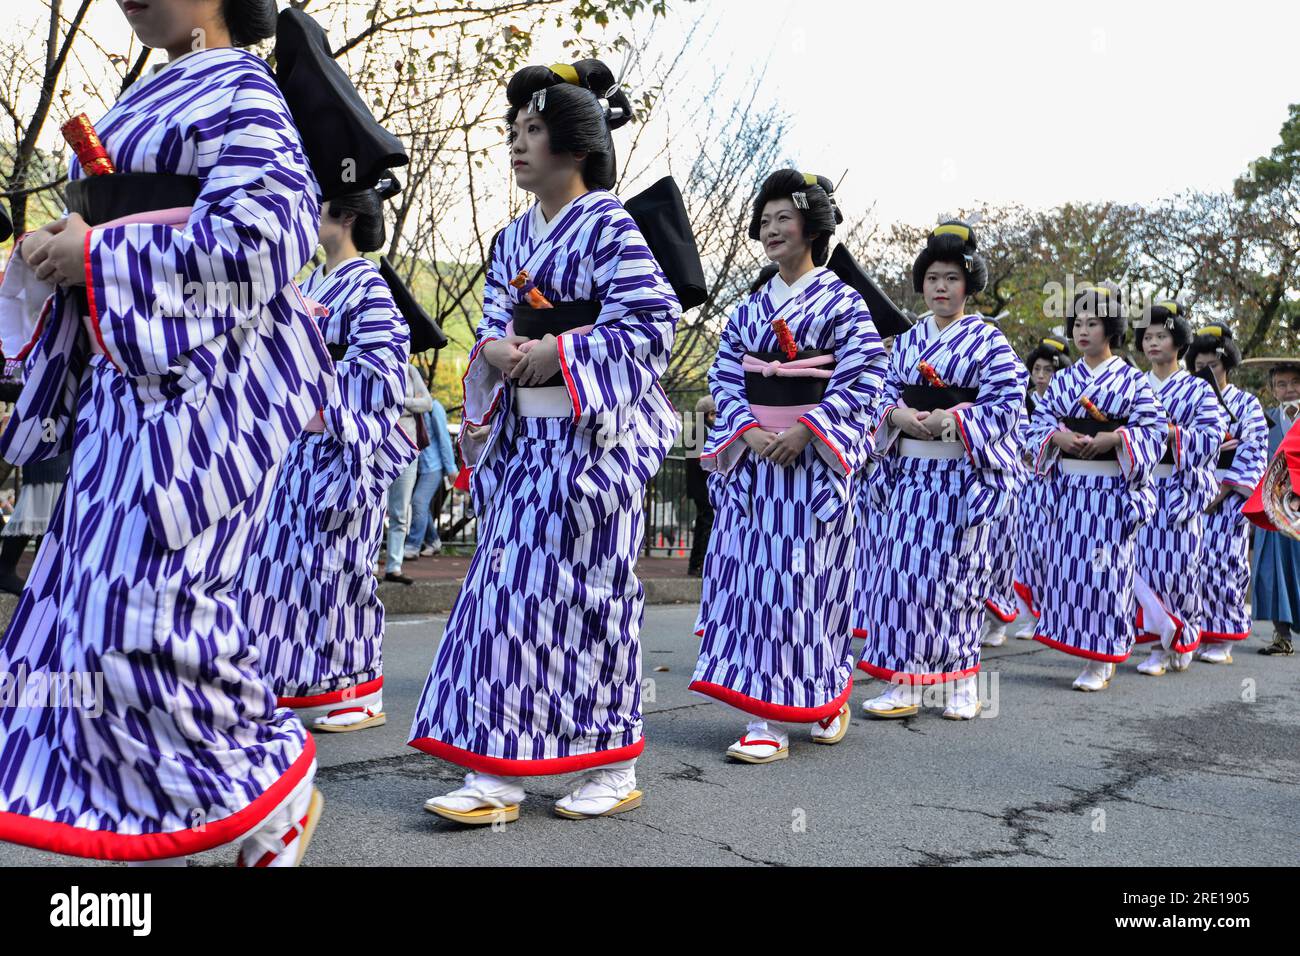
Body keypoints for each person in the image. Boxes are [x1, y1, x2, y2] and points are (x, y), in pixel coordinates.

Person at [0, 0, 339, 866]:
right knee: (90, 618)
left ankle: (265, 787)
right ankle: (221, 802)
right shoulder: (135, 104)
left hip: (206, 395)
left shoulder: (245, 93)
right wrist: (60, 255)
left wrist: (103, 254)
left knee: (152, 611)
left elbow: (265, 240)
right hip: (128, 389)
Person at [409, 59, 682, 823]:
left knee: (590, 600)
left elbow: (651, 323)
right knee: (508, 599)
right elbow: (496, 325)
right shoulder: (509, 240)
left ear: (577, 147)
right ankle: (498, 767)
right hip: (526, 442)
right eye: (515, 132)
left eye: (533, 131)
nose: (517, 145)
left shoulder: (609, 224)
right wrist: (496, 351)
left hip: (591, 445)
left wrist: (557, 351)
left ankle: (611, 759)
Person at [690, 170, 885, 762]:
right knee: (757, 586)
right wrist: (747, 428)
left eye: (784, 218)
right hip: (755, 465)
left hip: (814, 464)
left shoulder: (845, 302)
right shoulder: (750, 307)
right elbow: (724, 375)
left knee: (808, 586)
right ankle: (766, 716)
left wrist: (809, 429)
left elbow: (869, 378)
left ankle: (823, 694)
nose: (772, 229)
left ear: (812, 226)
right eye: (766, 219)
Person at [240, 181, 414, 734]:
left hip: (342, 445)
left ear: (342, 217)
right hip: (298, 445)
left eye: (316, 207)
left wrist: (319, 390)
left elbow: (383, 369)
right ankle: (298, 683)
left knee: (340, 567)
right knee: (287, 570)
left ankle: (358, 690)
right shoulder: (308, 282)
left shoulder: (369, 286)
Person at [859, 222, 1025, 720]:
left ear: (969, 284)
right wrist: (896, 415)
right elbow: (880, 394)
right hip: (910, 475)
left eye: (952, 277)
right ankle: (907, 680)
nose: (940, 287)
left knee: (955, 579)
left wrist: (956, 418)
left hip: (961, 476)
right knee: (903, 578)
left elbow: (1008, 402)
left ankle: (962, 679)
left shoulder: (990, 342)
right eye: (932, 277)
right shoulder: (908, 343)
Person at [1024, 284, 1165, 690]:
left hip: (1111, 489)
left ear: (1111, 330)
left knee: (1106, 572)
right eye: (1078, 324)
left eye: (1094, 324)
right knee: (1071, 569)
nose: (1083, 332)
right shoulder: (1064, 381)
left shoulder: (1132, 381)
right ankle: (1082, 646)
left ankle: (1102, 656)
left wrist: (1117, 439)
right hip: (1069, 488)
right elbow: (1038, 424)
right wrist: (1057, 438)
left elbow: (1153, 429)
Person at [1130, 301, 1227, 677]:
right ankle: (1157, 644)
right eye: (1148, 336)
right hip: (1142, 483)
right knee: (1141, 566)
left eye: (1162, 335)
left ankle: (1182, 636)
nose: (1153, 342)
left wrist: (1172, 434)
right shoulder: (1135, 385)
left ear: (1179, 342)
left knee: (1178, 568)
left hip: (1180, 485)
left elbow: (1212, 437)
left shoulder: (1197, 388)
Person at [1184, 327, 1268, 663]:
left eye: (1213, 366)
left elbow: (1255, 449)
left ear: (1227, 366)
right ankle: (1196, 630)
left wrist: (1222, 489)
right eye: (1199, 365)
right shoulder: (1190, 402)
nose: (1206, 372)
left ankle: (1223, 637)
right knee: (1190, 564)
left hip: (1231, 494)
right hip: (1192, 491)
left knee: (1223, 563)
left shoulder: (1247, 404)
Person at [1009, 336, 1072, 638]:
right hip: (1027, 480)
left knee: (1052, 548)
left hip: (1056, 480)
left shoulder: (1067, 402)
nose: (1042, 376)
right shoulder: (1024, 399)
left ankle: (1051, 613)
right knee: (1028, 547)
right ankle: (1033, 615)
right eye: (1037, 369)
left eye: (1049, 370)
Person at [1248, 359, 1300, 655]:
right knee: (1273, 569)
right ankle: (1282, 635)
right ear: (1272, 389)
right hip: (1275, 507)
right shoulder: (1264, 420)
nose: (1289, 389)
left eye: (1294, 382)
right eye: (1281, 384)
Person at [381, 360, 433, 583]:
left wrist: (401, 402)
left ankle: (394, 566)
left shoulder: (410, 371)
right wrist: (412, 403)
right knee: (377, 507)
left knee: (400, 510)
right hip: (380, 445)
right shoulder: (379, 365)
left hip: (408, 447)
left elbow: (428, 403)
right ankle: (370, 564)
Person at [0, 452, 70, 596]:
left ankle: (38, 578)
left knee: (46, 517)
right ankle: (36, 579)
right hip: (49, 456)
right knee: (45, 514)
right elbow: (48, 432)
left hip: (52, 456)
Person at [405, 396, 457, 559]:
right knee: (419, 504)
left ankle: (412, 546)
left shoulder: (434, 407)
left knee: (419, 502)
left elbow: (444, 438)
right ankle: (433, 541)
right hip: (418, 466)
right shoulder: (411, 408)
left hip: (434, 466)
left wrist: (451, 469)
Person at [684, 394, 716, 577]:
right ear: (710, 414)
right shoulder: (701, 431)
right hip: (703, 486)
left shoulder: (698, 430)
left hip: (698, 486)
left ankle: (696, 564)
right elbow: (703, 461)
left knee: (703, 524)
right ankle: (700, 565)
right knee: (706, 524)